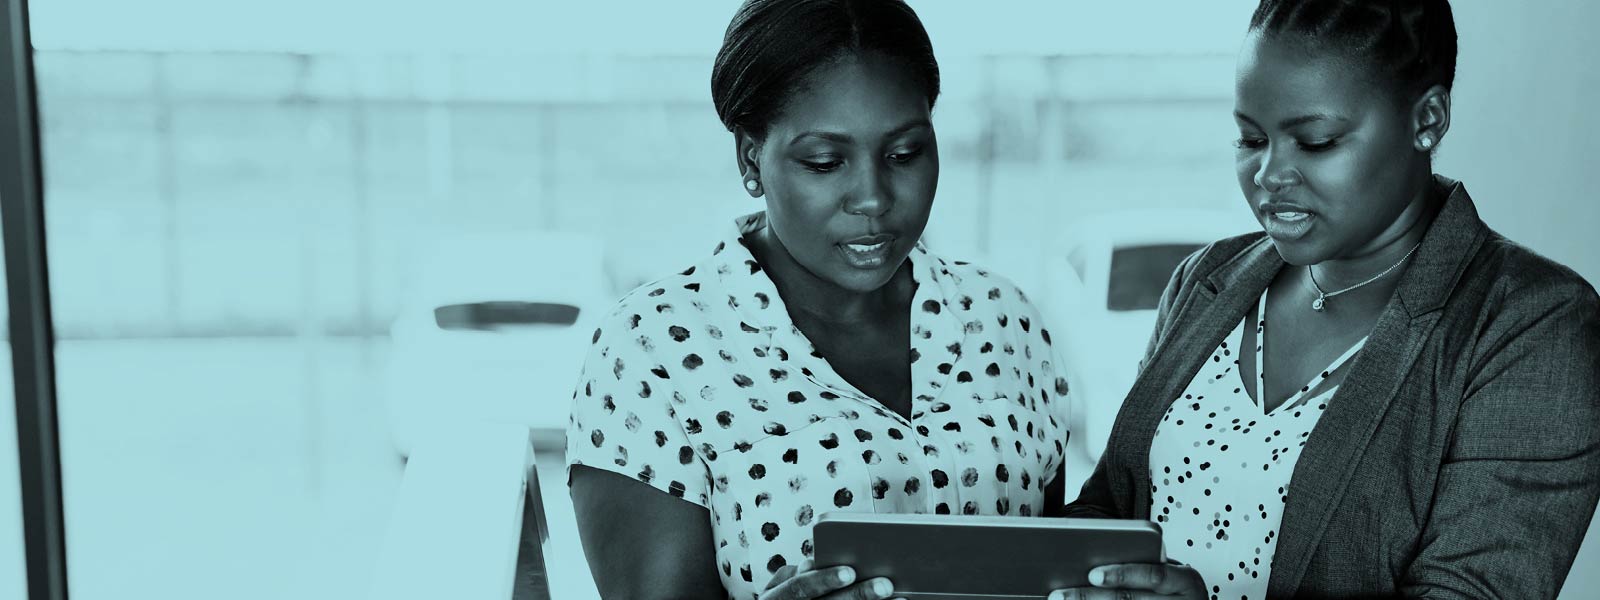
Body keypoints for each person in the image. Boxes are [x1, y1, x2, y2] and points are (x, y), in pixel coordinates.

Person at [1053, 1, 1600, 599]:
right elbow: (1113, 504)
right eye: (1250, 138)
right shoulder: (1205, 279)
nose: (1269, 174)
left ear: (1429, 119)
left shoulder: (1531, 326)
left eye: (1315, 142)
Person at [565, 1, 1073, 598]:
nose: (873, 198)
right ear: (751, 159)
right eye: (825, 162)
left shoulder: (1003, 319)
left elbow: (1048, 568)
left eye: (905, 153)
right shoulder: (656, 352)